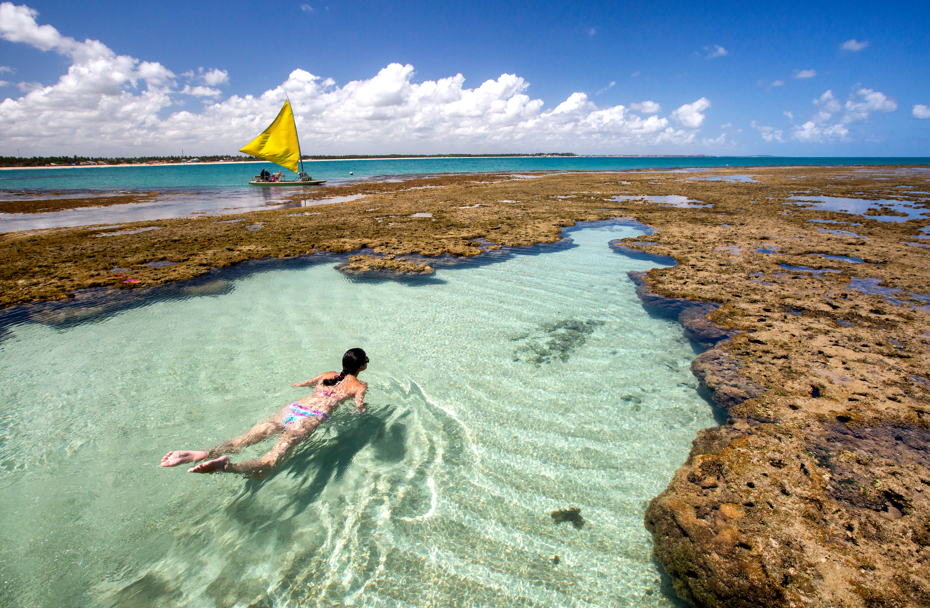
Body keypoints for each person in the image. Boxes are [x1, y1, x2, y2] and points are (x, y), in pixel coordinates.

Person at [160, 348, 368, 480]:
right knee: (269, 464)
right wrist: (361, 412)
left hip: (292, 410)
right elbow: (359, 407)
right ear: (361, 366)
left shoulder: (327, 375)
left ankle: (201, 453)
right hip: (310, 419)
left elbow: (300, 384)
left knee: (241, 440)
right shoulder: (359, 385)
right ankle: (228, 466)